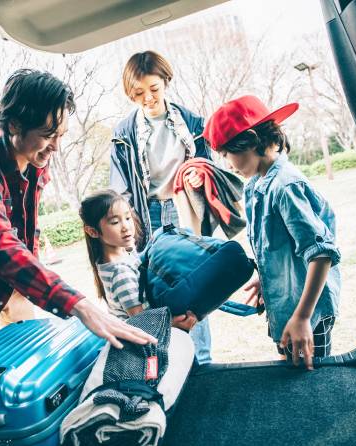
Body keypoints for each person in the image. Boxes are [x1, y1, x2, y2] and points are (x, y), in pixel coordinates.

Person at [0, 69, 156, 349]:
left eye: (61, 134)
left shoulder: (35, 159)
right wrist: (78, 304)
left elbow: (25, 235)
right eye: (48, 135)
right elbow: (1, 247)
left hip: (20, 288)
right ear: (14, 125)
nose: (56, 147)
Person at [203, 95, 341, 370]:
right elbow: (275, 247)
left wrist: (302, 317)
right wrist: (268, 278)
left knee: (309, 381)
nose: (228, 164)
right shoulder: (256, 185)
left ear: (251, 141)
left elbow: (321, 254)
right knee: (289, 370)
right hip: (286, 301)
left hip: (308, 312)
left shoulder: (285, 187)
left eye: (227, 154)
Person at [109, 50, 213, 363]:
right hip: (147, 212)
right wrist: (127, 226)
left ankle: (204, 360)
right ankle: (173, 360)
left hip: (184, 208)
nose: (147, 98)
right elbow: (120, 187)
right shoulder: (123, 133)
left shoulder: (192, 122)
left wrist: (198, 172)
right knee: (155, 289)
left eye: (153, 89)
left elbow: (208, 166)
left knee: (195, 283)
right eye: (138, 93)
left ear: (165, 82)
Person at [79, 189, 197, 331]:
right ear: (93, 231)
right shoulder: (121, 272)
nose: (126, 227)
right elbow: (141, 323)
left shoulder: (115, 257)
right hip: (147, 343)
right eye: (115, 222)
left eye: (128, 218)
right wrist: (175, 325)